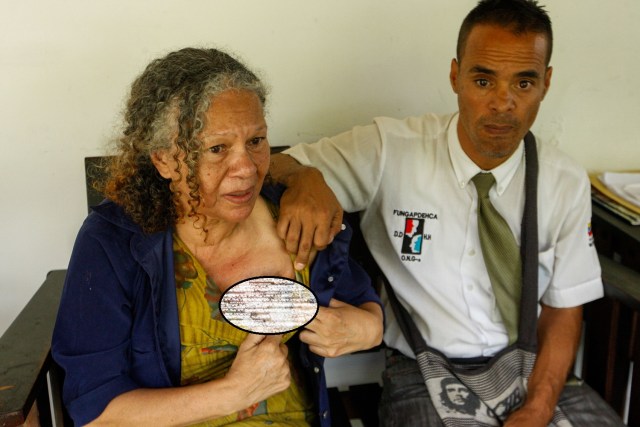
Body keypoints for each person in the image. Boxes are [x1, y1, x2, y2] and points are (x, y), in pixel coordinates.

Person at [269, 1, 624, 425]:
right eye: (483, 80)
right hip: (419, 370)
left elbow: (565, 307)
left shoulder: (563, 179)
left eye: (524, 84)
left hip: (534, 372)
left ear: (546, 83)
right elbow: (272, 164)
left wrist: (539, 405)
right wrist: (304, 179)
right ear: (455, 76)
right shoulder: (389, 150)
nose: (502, 103)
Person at [51, 47, 383, 426]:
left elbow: (364, 304)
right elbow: (95, 414)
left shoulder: (292, 216)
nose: (245, 168)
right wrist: (233, 392)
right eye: (217, 148)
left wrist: (368, 328)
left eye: (256, 142)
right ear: (163, 160)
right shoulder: (113, 242)